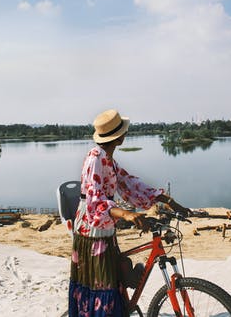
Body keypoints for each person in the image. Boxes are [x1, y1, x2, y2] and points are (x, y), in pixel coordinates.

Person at [68, 109, 190, 317]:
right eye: (124, 132)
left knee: (113, 281)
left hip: (104, 227)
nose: (125, 135)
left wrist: (168, 200)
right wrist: (127, 215)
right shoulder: (94, 158)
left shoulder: (107, 159)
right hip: (91, 230)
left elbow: (129, 183)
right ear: (119, 137)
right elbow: (94, 200)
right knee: (102, 285)